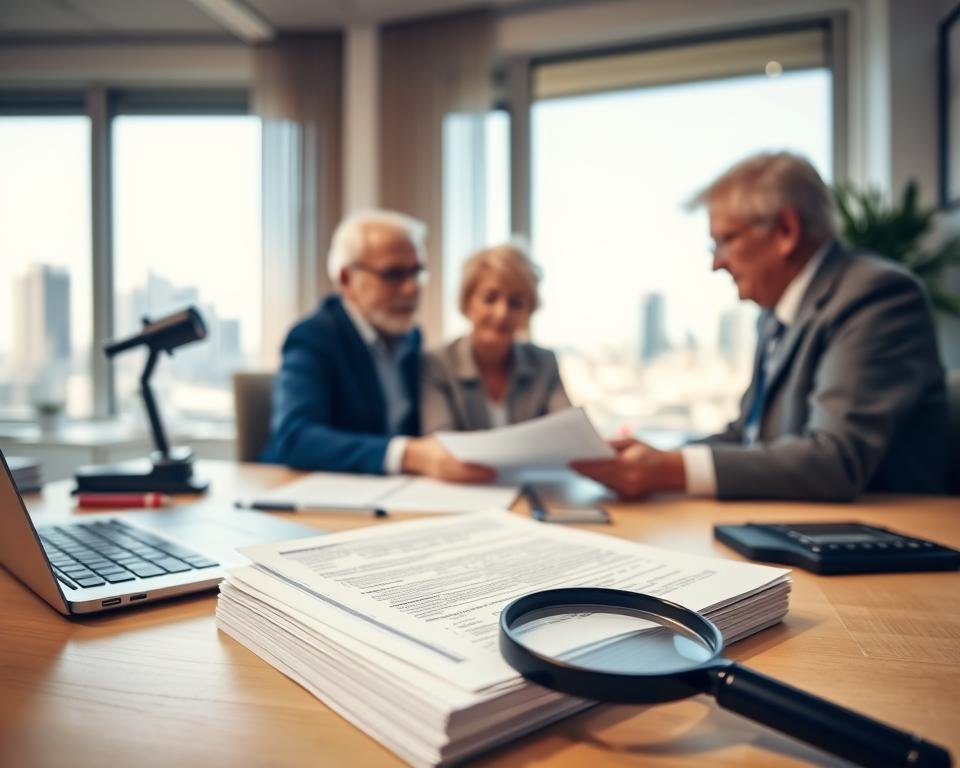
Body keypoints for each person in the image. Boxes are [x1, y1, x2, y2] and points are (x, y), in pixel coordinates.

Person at [573, 152, 948, 501]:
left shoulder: (875, 296)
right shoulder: (775, 315)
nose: (716, 264)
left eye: (726, 240)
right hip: (794, 524)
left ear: (785, 230)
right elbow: (748, 436)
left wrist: (672, 469)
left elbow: (836, 460)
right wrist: (653, 459)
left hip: (887, 542)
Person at [261, 210, 494, 482]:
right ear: (347, 280)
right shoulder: (314, 336)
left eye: (416, 272)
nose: (411, 289)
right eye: (393, 274)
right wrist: (408, 455)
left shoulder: (411, 337)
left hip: (392, 493)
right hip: (314, 496)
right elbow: (295, 438)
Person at [421, 242, 571, 433]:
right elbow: (441, 443)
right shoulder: (436, 364)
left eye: (515, 303)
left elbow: (568, 430)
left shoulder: (544, 362)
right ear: (467, 302)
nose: (502, 313)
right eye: (490, 298)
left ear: (529, 310)